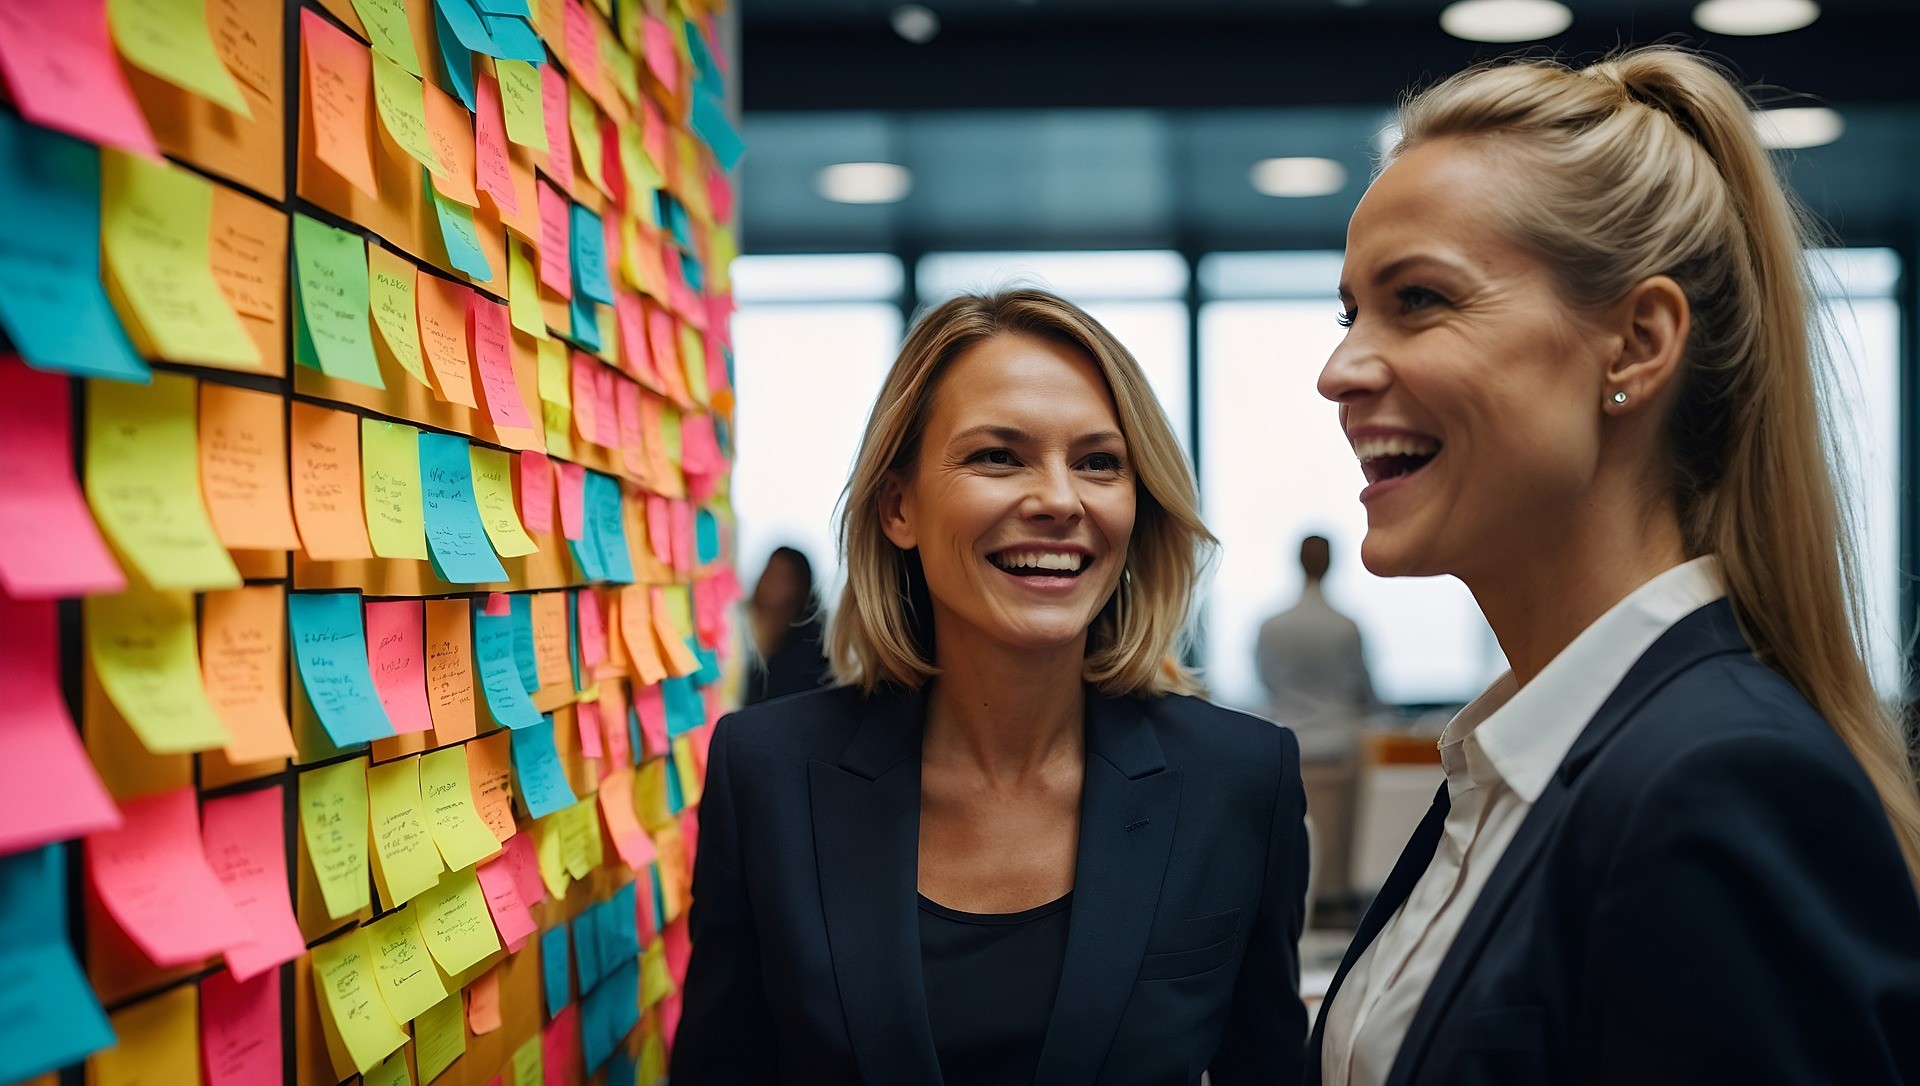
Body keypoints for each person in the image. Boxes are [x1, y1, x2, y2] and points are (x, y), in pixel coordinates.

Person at [1308, 46, 1920, 1084]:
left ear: (1636, 343)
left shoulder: (1717, 783)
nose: (1340, 370)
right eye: (1349, 312)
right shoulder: (1515, 771)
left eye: (1418, 300)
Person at [673, 288, 1310, 1084]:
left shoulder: (1241, 779)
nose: (1057, 499)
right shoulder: (765, 770)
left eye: (1098, 462)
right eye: (997, 456)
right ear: (898, 506)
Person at [1256, 534, 1379, 763]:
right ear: (1331, 563)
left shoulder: (1271, 626)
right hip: (1340, 745)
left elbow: (1265, 680)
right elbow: (1364, 690)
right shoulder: (1345, 626)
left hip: (1287, 742)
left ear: (1297, 561)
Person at [744, 545, 831, 703]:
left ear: (801, 589)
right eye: (769, 572)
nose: (770, 583)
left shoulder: (811, 648)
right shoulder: (738, 627)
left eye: (782, 577)